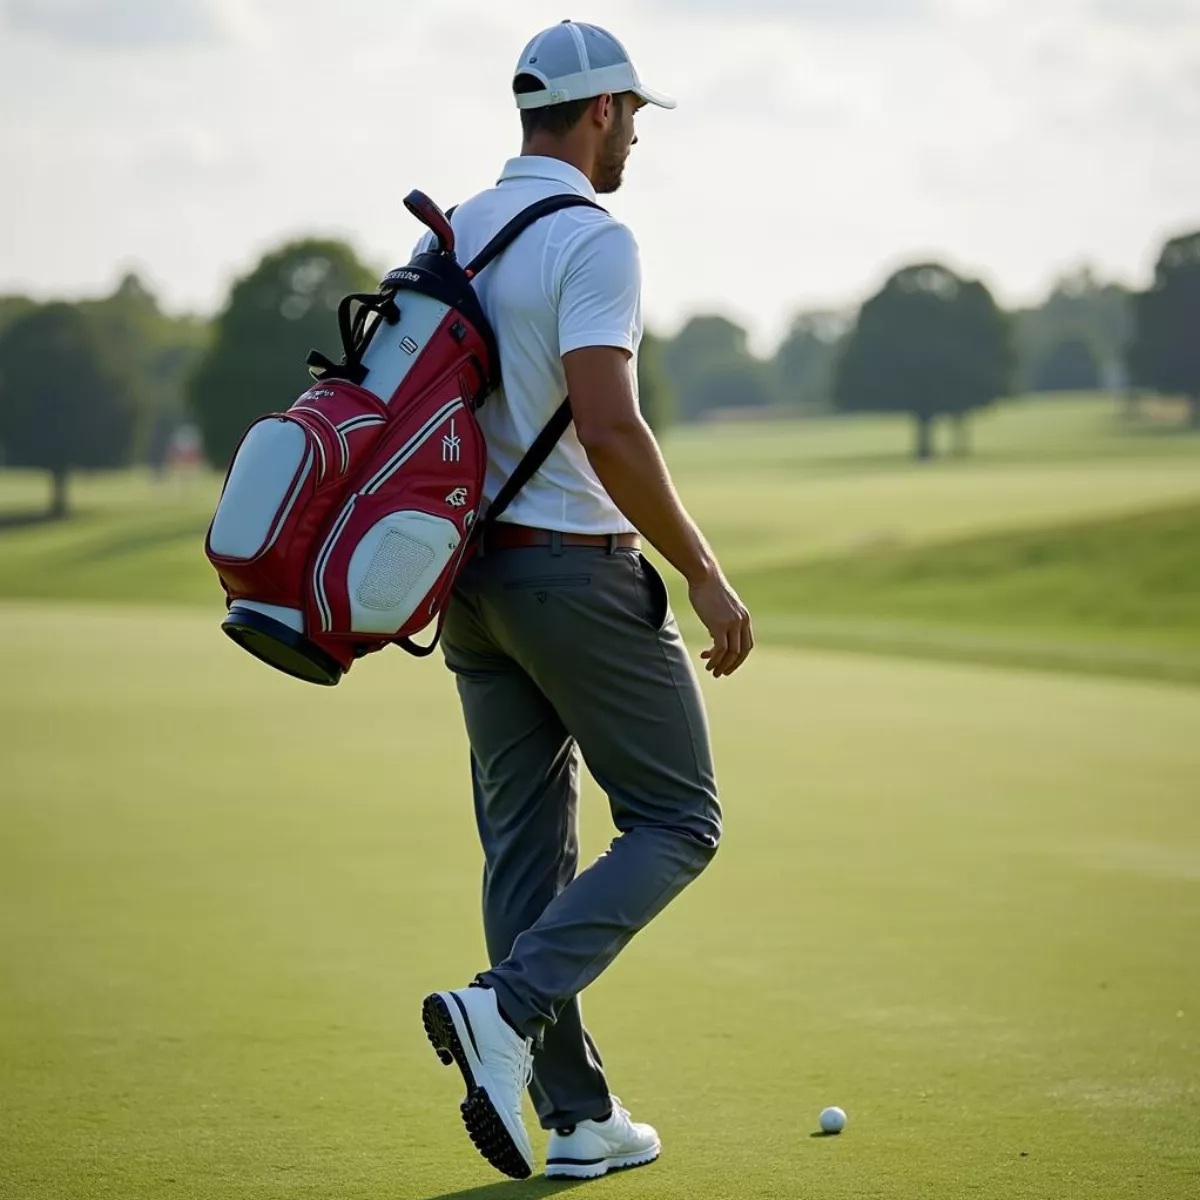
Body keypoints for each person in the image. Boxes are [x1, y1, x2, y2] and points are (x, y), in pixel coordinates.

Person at [420, 19, 753, 1182]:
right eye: (635, 118)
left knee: (524, 852)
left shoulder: (460, 227)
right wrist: (704, 569)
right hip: (573, 567)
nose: (637, 141)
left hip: (469, 584)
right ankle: (504, 1012)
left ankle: (574, 1117)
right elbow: (608, 425)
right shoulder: (592, 239)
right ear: (602, 111)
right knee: (679, 818)